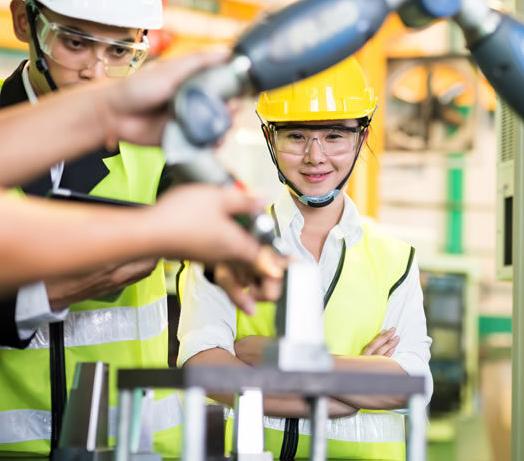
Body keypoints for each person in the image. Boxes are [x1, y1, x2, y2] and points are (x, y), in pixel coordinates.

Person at [0, 0, 278, 457]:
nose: (97, 72)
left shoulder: (158, 141)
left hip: (120, 443)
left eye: (120, 51)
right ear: (23, 21)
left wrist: (229, 254)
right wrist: (46, 291)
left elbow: (206, 225)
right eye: (74, 42)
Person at [177, 57, 432, 460]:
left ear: (361, 139)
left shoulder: (396, 258)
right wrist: (341, 397)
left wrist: (268, 355)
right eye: (296, 136)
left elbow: (409, 383)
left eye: (334, 136)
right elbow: (204, 367)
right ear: (269, 137)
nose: (315, 156)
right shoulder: (226, 244)